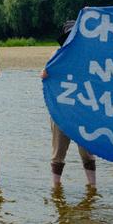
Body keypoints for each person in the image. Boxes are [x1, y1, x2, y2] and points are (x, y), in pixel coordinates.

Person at [40, 20, 96, 188]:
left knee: (87, 152)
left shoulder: (89, 56)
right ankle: (56, 187)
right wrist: (44, 73)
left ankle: (92, 186)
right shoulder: (56, 55)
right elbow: (45, 74)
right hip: (61, 111)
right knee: (58, 152)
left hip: (83, 110)